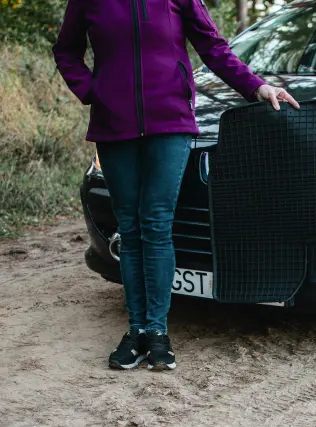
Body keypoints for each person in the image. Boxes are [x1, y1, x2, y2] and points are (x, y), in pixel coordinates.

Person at [53, 0, 299, 371]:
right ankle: (136, 330)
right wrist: (92, 90)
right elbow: (66, 50)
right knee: (130, 228)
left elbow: (212, 46)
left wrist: (256, 87)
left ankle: (156, 331)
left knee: (156, 223)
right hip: (114, 126)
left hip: (170, 123)